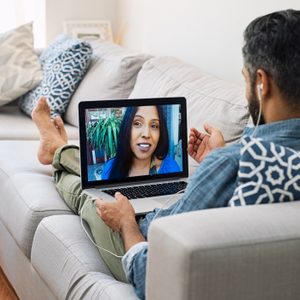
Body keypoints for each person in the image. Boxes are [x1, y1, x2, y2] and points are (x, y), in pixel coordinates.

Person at [32, 9, 300, 300]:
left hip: (144, 241)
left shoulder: (235, 165)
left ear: (262, 83)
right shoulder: (250, 162)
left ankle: (57, 149)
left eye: (246, 79)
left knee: (89, 196)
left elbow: (154, 274)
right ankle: (58, 149)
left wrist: (127, 223)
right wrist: (218, 156)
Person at [101, 105, 180, 180]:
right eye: (137, 123)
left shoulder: (171, 168)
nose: (146, 134)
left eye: (154, 126)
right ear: (126, 128)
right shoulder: (110, 169)